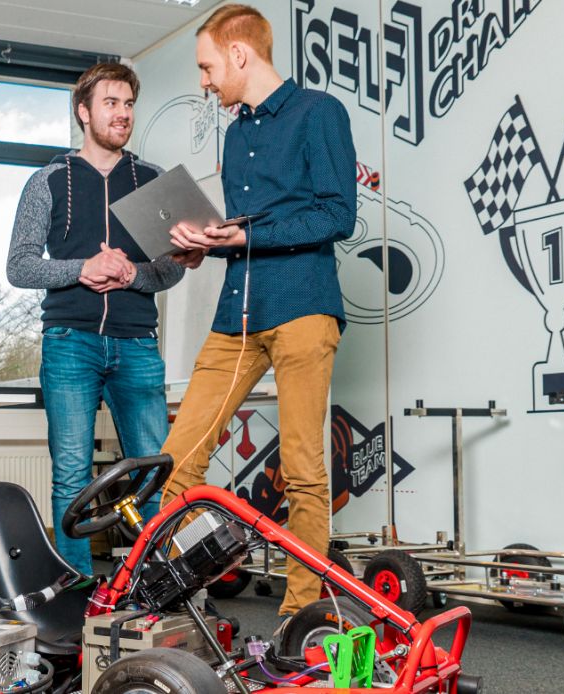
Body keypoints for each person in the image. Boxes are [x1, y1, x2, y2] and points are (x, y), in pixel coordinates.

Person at [159, 4, 357, 621]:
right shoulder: (237, 130)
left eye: (208, 66)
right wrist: (206, 244)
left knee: (302, 470)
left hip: (303, 308)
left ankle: (302, 616)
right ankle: (173, 599)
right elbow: (250, 227)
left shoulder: (319, 113)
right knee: (178, 460)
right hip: (237, 313)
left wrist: (241, 238)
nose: (204, 81)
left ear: (240, 55)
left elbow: (336, 215)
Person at [6, 62, 186, 576]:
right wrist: (83, 268)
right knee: (71, 477)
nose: (122, 114)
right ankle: (77, 596)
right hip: (70, 343)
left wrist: (132, 274)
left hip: (136, 344)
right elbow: (19, 266)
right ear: (84, 112)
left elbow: (172, 269)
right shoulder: (47, 181)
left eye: (128, 104)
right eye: (111, 103)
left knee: (155, 472)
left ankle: (156, 587)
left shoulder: (151, 182)